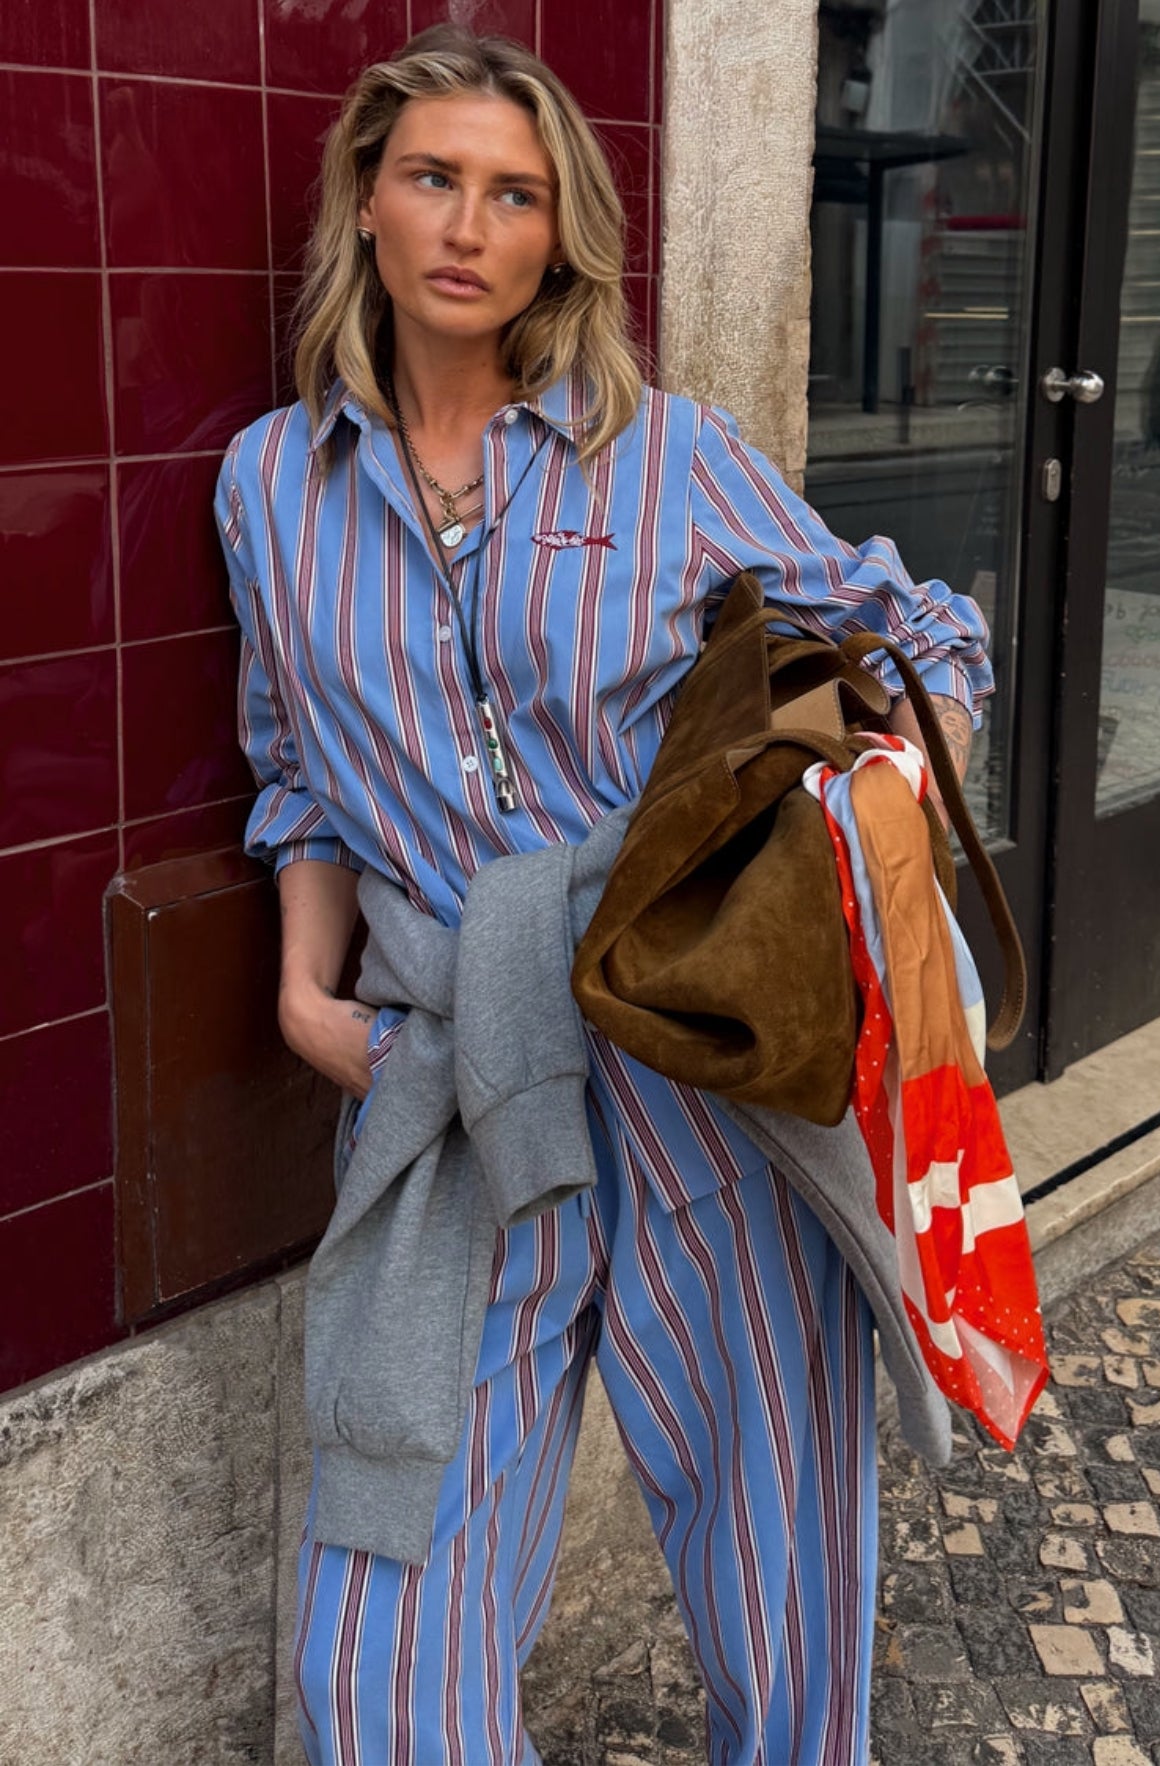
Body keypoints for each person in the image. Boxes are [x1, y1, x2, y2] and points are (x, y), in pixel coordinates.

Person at [217, 25, 991, 1765]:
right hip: (447, 1069)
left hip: (686, 1050)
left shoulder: (661, 452)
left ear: (563, 235)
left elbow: (916, 634)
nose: (469, 227)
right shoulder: (271, 485)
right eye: (433, 178)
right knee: (384, 1615)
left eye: (516, 194)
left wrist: (854, 846)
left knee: (777, 1555)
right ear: (366, 197)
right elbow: (294, 767)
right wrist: (301, 988)